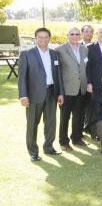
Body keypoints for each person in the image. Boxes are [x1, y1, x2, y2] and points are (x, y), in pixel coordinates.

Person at [18, 27, 64, 161]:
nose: (43, 39)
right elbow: (22, 77)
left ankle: (48, 147)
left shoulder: (55, 54)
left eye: (46, 37)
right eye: (40, 37)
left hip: (51, 93)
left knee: (51, 122)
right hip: (33, 95)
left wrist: (60, 93)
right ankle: (33, 151)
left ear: (49, 38)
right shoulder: (27, 54)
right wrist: (23, 95)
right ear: (36, 38)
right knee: (32, 123)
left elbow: (58, 75)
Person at [56, 27, 89, 150]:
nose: (74, 36)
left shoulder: (84, 49)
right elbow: (57, 73)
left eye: (77, 34)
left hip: (82, 89)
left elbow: (85, 68)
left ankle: (76, 138)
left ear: (80, 36)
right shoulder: (59, 50)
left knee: (79, 115)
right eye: (72, 34)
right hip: (67, 90)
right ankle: (63, 141)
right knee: (65, 117)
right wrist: (60, 91)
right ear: (67, 35)